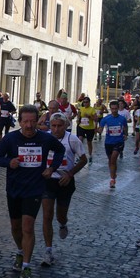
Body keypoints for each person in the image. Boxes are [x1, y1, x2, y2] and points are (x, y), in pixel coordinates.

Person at [0, 105, 65, 278]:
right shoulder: (11, 138)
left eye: (32, 121)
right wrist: (10, 162)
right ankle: (20, 251)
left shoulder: (45, 139)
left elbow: (60, 150)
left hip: (34, 189)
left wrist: (51, 168)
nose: (29, 125)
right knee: (16, 228)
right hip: (14, 189)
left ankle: (26, 267)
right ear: (20, 122)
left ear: (37, 121)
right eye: (26, 122)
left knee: (28, 227)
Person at [41, 113, 87, 267]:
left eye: (59, 125)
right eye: (53, 125)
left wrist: (70, 173)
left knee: (61, 215)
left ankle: (62, 224)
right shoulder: (45, 137)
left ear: (66, 125)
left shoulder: (72, 139)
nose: (56, 129)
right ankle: (48, 251)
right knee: (47, 215)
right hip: (48, 181)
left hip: (65, 182)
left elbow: (83, 159)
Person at [98, 100, 128, 188]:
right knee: (111, 161)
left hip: (119, 142)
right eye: (112, 109)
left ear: (118, 108)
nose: (114, 110)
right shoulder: (105, 119)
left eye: (116, 109)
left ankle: (112, 180)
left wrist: (125, 134)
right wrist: (95, 128)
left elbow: (125, 127)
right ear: (110, 109)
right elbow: (100, 130)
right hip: (108, 142)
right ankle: (113, 175)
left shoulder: (122, 119)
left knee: (113, 158)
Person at [76, 96, 97, 163]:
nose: (85, 103)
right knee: (80, 140)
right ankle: (79, 155)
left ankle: (90, 155)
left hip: (90, 128)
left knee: (89, 142)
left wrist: (89, 116)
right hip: (81, 127)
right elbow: (78, 116)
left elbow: (96, 119)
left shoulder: (92, 109)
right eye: (84, 102)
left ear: (89, 102)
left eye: (86, 102)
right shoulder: (81, 109)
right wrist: (78, 120)